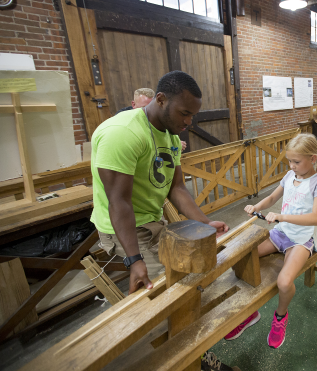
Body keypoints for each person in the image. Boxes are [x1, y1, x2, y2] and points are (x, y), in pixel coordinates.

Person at [90, 71, 234, 371]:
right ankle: (190, 359)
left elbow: (176, 189)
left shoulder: (170, 135)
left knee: (188, 280)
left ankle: (187, 346)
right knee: (167, 296)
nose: (188, 123)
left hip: (152, 221)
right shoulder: (123, 133)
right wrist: (134, 259)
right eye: (184, 113)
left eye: (193, 115)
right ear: (160, 99)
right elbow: (119, 203)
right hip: (123, 228)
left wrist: (205, 222)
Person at [223, 133, 317, 349]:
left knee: (283, 282)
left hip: (301, 240)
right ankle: (248, 314)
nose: (292, 166)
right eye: (289, 161)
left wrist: (281, 216)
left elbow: (316, 218)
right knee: (241, 259)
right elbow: (272, 198)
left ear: (313, 159)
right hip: (281, 233)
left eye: (296, 161)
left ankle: (280, 317)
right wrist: (257, 207)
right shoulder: (290, 176)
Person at [117, 88, 187, 151]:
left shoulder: (158, 114)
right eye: (144, 107)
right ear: (133, 104)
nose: (149, 110)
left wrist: (174, 143)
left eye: (151, 106)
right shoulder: (121, 121)